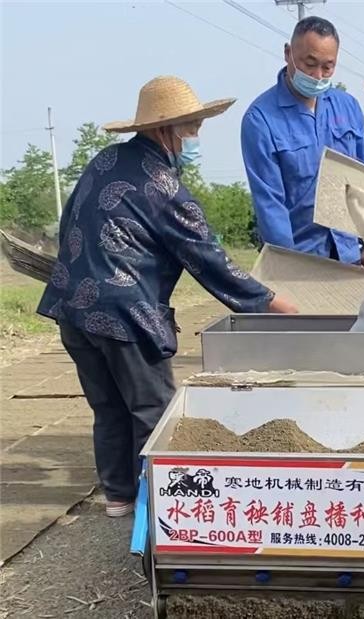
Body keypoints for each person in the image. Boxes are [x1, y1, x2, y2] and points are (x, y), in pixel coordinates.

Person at [37, 76, 297, 518]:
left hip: (73, 308)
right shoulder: (163, 185)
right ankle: (161, 513)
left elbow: (68, 229)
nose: (196, 138)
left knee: (108, 407)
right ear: (166, 130)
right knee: (152, 411)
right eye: (192, 128)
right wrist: (272, 302)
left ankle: (118, 498)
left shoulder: (103, 161)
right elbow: (209, 258)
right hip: (126, 313)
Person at [241, 16, 364, 267]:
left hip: (352, 255)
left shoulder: (348, 107)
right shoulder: (260, 119)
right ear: (288, 53)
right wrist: (292, 266)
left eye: (328, 67)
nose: (317, 75)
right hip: (302, 258)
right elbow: (270, 204)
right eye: (309, 64)